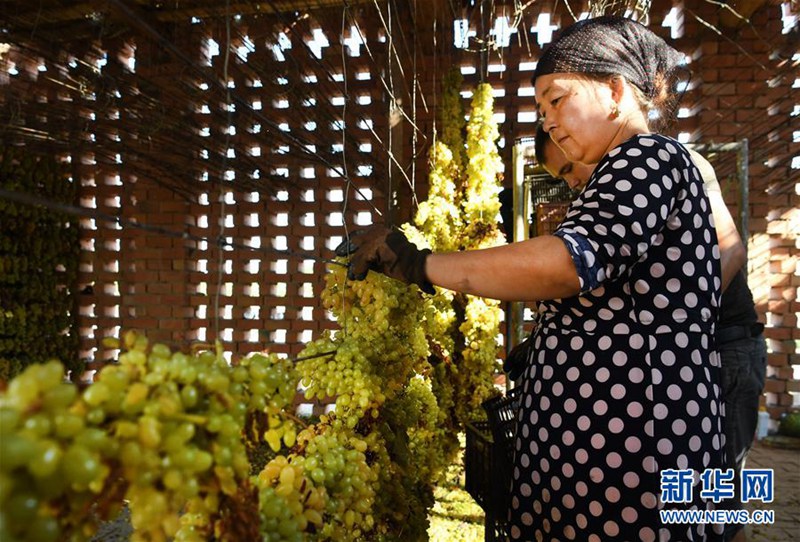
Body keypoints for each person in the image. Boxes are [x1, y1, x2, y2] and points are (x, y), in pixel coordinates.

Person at [337, 16, 726, 541]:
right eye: (542, 113)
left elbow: (568, 263)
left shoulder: (648, 158)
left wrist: (420, 265)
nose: (549, 124)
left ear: (614, 90)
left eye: (557, 100)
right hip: (603, 453)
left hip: (635, 453)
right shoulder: (616, 173)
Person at [535, 128, 767, 542]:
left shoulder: (671, 164)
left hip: (722, 346)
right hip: (680, 361)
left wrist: (677, 324)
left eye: (569, 164)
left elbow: (730, 249)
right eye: (561, 175)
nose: (570, 181)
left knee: (717, 506)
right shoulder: (605, 192)